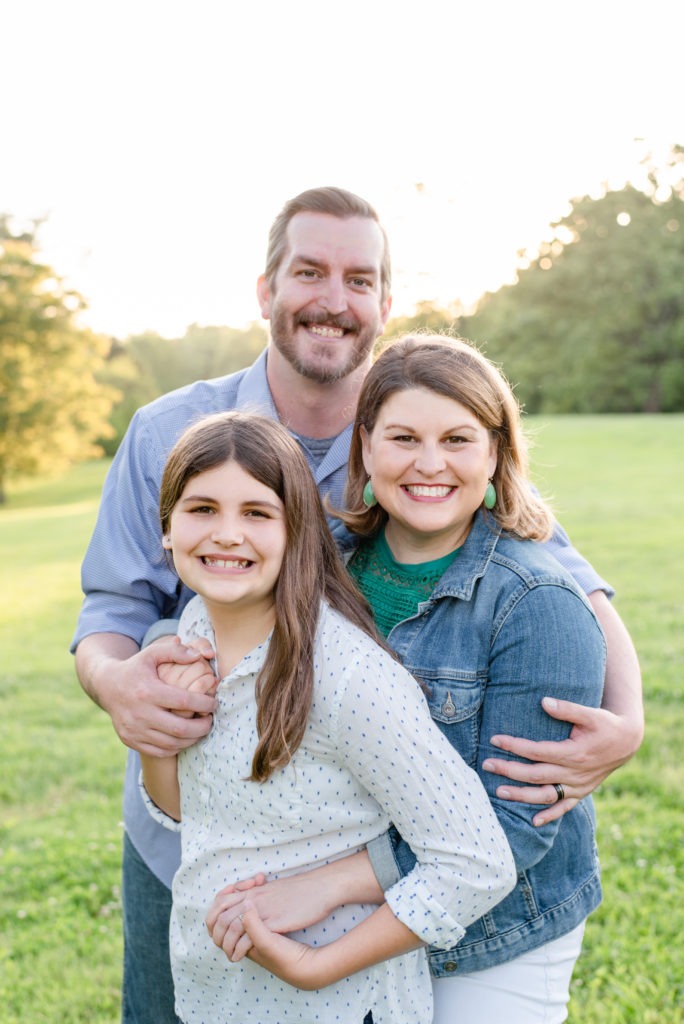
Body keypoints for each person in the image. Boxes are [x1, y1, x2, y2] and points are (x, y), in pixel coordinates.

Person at [72, 187, 642, 1024]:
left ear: (383, 302)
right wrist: (118, 684)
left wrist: (628, 720)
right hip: (192, 838)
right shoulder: (171, 431)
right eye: (309, 272)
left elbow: (570, 586)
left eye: (360, 279)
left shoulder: (415, 423)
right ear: (265, 290)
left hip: (379, 873)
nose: (334, 300)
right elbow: (110, 611)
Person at [205, 335, 607, 1023]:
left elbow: (515, 822)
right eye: (403, 437)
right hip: (340, 912)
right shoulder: (321, 567)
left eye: (457, 439)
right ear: (365, 445)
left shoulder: (535, 603)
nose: (429, 464)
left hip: (493, 931)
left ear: (497, 453)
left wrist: (329, 885)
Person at [139, 408, 516, 1023]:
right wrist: (163, 732)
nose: (227, 534)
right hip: (219, 995)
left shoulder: (346, 676)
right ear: (167, 529)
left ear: (297, 531)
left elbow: (476, 863)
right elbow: (188, 812)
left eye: (257, 513)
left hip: (339, 1004)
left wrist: (318, 967)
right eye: (202, 509)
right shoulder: (192, 630)